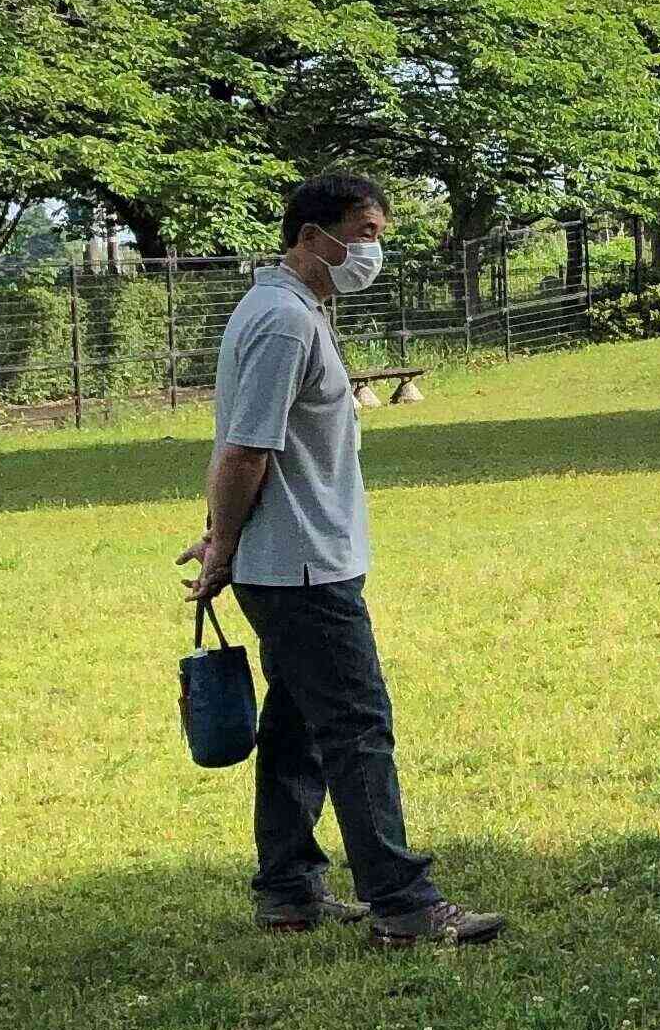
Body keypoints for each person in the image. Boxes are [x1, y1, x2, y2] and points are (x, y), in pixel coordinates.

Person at [177, 172, 505, 945]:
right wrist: (222, 542)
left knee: (298, 723)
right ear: (311, 235)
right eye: (364, 232)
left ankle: (289, 888)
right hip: (301, 569)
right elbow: (244, 448)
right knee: (359, 727)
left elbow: (249, 442)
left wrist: (224, 532)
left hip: (303, 558)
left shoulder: (294, 310)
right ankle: (402, 902)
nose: (372, 249)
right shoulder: (283, 320)